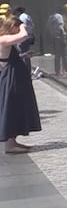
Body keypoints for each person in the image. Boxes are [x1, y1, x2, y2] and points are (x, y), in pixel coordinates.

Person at [0, 15, 42, 153]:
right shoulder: (3, 39)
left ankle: (12, 142)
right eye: (16, 26)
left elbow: (6, 59)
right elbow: (24, 36)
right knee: (11, 109)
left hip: (13, 79)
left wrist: (24, 55)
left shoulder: (5, 41)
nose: (19, 29)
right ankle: (10, 145)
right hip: (11, 80)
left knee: (15, 108)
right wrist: (23, 27)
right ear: (12, 26)